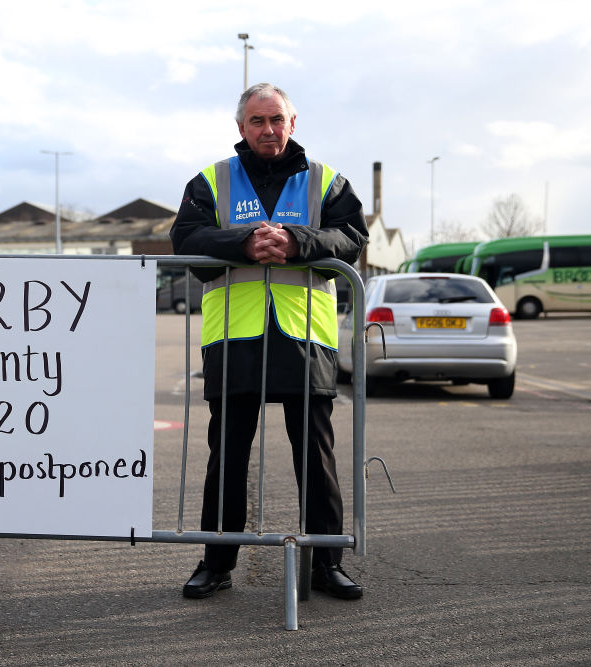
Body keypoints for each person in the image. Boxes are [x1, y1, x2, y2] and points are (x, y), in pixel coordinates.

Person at [170, 83, 368, 600]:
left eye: (276, 119)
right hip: (235, 337)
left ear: (293, 123)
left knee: (316, 457)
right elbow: (185, 238)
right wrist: (243, 241)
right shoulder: (211, 181)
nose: (267, 129)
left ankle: (326, 565)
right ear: (241, 128)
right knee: (227, 456)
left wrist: (297, 241)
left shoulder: (327, 182)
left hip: (306, 337)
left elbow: (352, 238)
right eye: (257, 121)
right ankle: (216, 562)